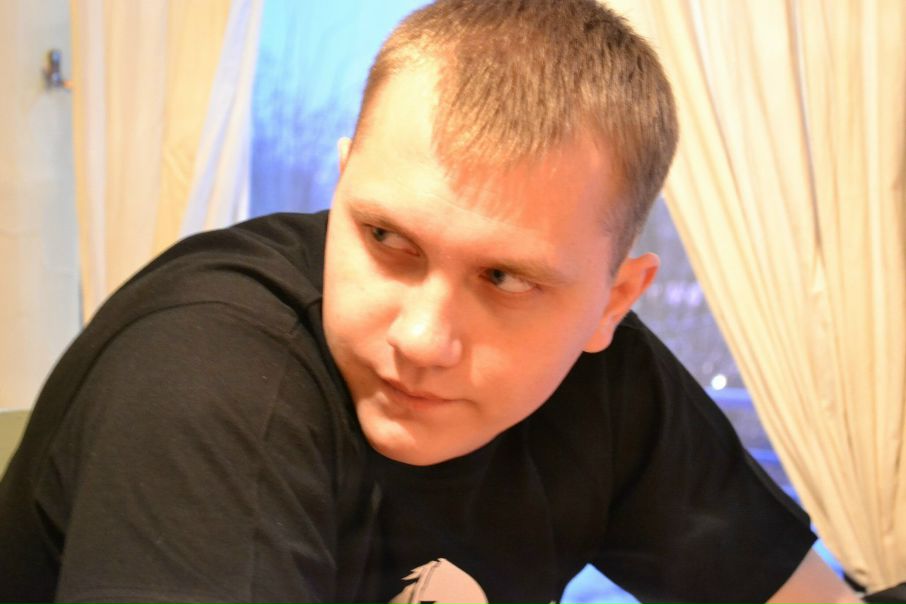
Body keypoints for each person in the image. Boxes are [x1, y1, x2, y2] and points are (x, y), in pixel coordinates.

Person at [0, 1, 860, 602]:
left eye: (505, 279)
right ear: (341, 185)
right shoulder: (206, 374)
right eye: (385, 238)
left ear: (613, 302)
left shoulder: (610, 387)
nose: (419, 338)